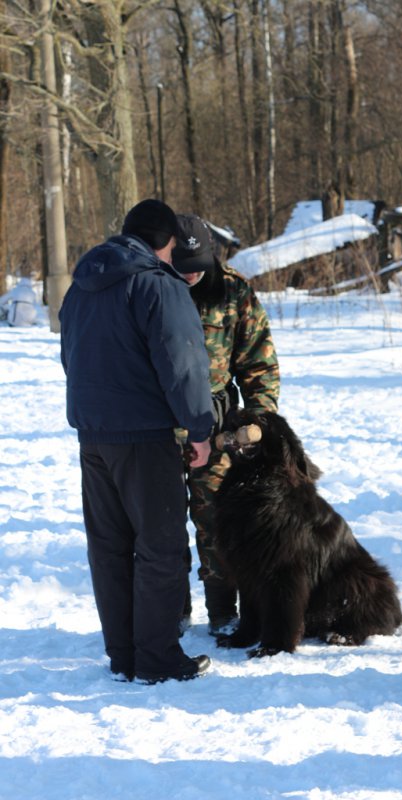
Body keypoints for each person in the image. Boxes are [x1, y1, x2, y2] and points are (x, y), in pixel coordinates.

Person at [59, 199, 215, 684]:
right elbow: (184, 364)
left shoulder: (83, 284)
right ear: (166, 243)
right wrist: (200, 429)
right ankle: (157, 656)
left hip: (94, 435)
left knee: (109, 546)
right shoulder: (157, 284)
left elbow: (70, 354)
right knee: (161, 545)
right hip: (144, 436)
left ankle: (124, 653)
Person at [171, 214, 280, 635]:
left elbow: (259, 364)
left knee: (217, 517)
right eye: (184, 265)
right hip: (159, 430)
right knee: (163, 527)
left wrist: (259, 422)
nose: (192, 272)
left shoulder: (233, 289)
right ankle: (172, 610)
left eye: (199, 262)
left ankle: (222, 608)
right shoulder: (152, 286)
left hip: (216, 429)